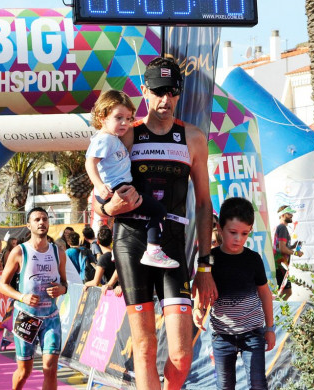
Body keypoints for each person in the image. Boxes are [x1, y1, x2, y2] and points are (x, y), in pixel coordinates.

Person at [95, 57, 216, 390]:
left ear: (179, 94)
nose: (165, 101)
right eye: (158, 92)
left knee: (181, 355)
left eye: (172, 92)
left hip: (173, 247)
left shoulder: (192, 139)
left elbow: (204, 205)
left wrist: (205, 267)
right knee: (145, 346)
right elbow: (98, 188)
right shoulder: (126, 135)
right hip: (132, 242)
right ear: (145, 91)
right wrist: (107, 206)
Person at [85, 89, 179, 269]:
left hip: (122, 185)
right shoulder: (104, 139)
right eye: (118, 118)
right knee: (158, 210)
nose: (124, 123)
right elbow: (90, 163)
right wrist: (99, 185)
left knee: (147, 190)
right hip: (118, 188)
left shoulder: (113, 138)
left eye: (128, 118)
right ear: (102, 117)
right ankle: (153, 249)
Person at [193, 197, 276, 390]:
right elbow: (201, 287)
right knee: (224, 386)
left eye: (244, 233)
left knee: (258, 384)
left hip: (253, 334)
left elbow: (264, 293)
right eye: (233, 232)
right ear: (220, 229)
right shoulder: (210, 260)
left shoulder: (253, 259)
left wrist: (270, 328)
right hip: (222, 336)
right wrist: (197, 309)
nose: (238, 238)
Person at [0, 207, 68, 390]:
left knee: (50, 368)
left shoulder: (58, 252)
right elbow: (2, 285)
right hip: (26, 318)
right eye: (37, 219)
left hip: (51, 317)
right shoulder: (20, 252)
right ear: (29, 225)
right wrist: (22, 297)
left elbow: (65, 284)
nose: (41, 222)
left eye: (44, 219)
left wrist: (61, 289)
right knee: (24, 371)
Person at [273, 205, 303, 300]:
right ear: (282, 215)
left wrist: (292, 246)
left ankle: (276, 312)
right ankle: (276, 312)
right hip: (280, 265)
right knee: (286, 292)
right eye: (289, 213)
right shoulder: (282, 227)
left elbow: (281, 247)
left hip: (279, 265)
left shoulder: (280, 227)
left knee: (285, 292)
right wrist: (295, 253)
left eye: (291, 213)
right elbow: (282, 249)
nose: (291, 215)